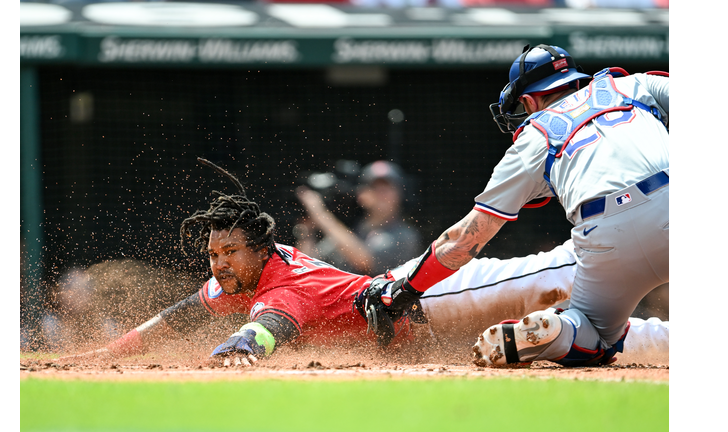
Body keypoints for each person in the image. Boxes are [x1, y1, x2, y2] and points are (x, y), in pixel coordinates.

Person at [58, 157, 668, 367]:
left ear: (259, 249)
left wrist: (218, 359)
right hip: (413, 323)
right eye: (212, 254)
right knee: (596, 336)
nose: (216, 264)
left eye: (227, 251)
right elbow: (177, 316)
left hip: (419, 298)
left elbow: (257, 338)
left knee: (557, 273)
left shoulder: (279, 288)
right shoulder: (233, 279)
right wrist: (104, 357)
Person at [360, 43, 669, 368]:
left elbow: (468, 237)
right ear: (576, 80)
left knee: (597, 339)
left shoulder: (534, 136)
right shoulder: (633, 84)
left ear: (529, 100)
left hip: (607, 234)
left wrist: (407, 289)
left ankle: (562, 328)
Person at [294, 160, 421, 276]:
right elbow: (308, 266)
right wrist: (307, 231)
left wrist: (319, 213)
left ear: (399, 195)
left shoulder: (405, 235)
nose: (382, 194)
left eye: (388, 188)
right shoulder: (351, 232)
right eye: (375, 187)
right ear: (362, 194)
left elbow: (365, 262)